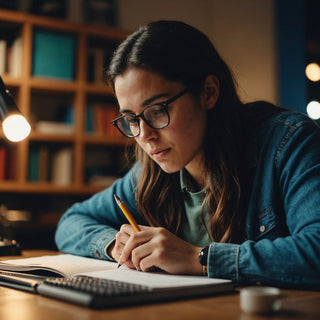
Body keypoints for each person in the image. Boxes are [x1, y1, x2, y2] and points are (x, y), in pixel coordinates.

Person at [55, 20, 320, 289]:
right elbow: (71, 222)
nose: (144, 136)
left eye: (157, 110)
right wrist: (114, 245)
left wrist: (198, 258)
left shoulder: (289, 142)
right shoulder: (151, 169)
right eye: (131, 119)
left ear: (208, 93)